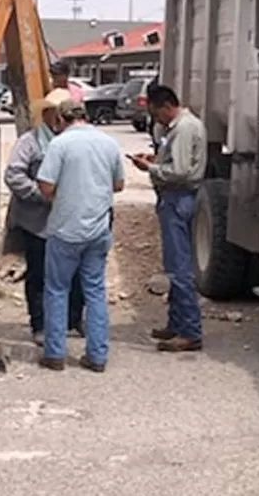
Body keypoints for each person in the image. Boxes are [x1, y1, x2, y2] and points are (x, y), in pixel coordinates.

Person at [35, 98, 125, 373]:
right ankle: (97, 356)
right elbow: (119, 185)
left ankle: (55, 354)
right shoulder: (109, 143)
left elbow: (46, 186)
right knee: (96, 291)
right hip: (98, 230)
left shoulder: (59, 144)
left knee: (57, 290)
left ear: (61, 120)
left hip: (65, 230)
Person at [2, 88, 85, 346]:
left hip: (68, 219)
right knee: (38, 272)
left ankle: (73, 318)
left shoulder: (74, 141)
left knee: (76, 272)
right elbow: (13, 175)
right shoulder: (30, 142)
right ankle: (38, 323)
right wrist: (40, 194)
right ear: (49, 114)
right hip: (36, 221)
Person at [128, 85, 207, 352]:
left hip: (177, 197)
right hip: (176, 197)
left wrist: (150, 167)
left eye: (155, 113)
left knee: (179, 267)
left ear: (164, 106)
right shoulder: (182, 127)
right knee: (173, 264)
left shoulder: (183, 129)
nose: (156, 120)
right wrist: (158, 159)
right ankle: (176, 323)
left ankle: (190, 332)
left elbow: (181, 171)